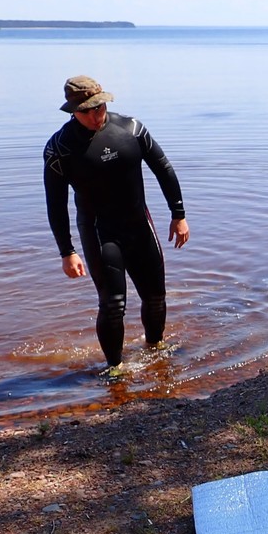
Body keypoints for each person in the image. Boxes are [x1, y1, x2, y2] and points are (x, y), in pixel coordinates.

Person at [43, 75, 189, 376]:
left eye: (100, 108)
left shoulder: (131, 129)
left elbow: (163, 168)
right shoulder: (60, 148)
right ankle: (115, 368)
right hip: (100, 232)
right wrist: (66, 251)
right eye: (87, 111)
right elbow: (55, 203)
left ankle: (156, 349)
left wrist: (178, 214)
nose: (96, 116)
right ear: (73, 111)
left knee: (156, 296)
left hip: (139, 226)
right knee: (113, 304)